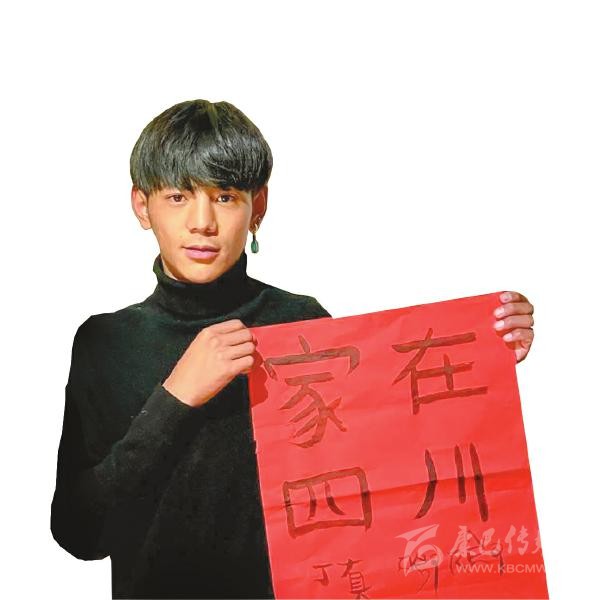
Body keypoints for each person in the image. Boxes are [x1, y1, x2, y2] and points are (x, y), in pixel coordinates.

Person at [50, 99, 535, 599]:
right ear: (141, 205)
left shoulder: (299, 324)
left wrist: (486, 358)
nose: (202, 222)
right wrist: (176, 397)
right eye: (177, 196)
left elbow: (389, 472)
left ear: (257, 206)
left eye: (224, 196)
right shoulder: (106, 342)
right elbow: (79, 533)